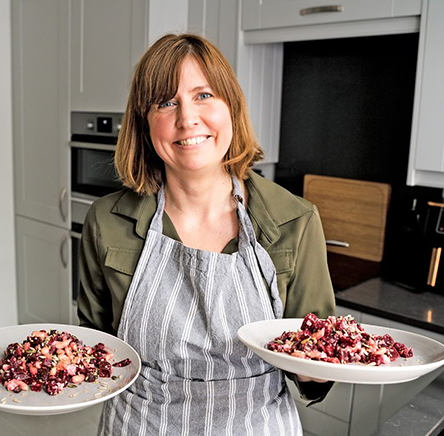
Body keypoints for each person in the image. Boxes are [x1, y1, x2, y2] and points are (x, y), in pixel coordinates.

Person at [77, 32, 336, 436]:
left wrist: (323, 365)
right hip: (141, 426)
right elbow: (99, 354)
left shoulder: (294, 221)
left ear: (231, 107)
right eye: (166, 102)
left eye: (204, 95)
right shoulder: (105, 221)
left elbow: (315, 364)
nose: (187, 118)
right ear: (145, 123)